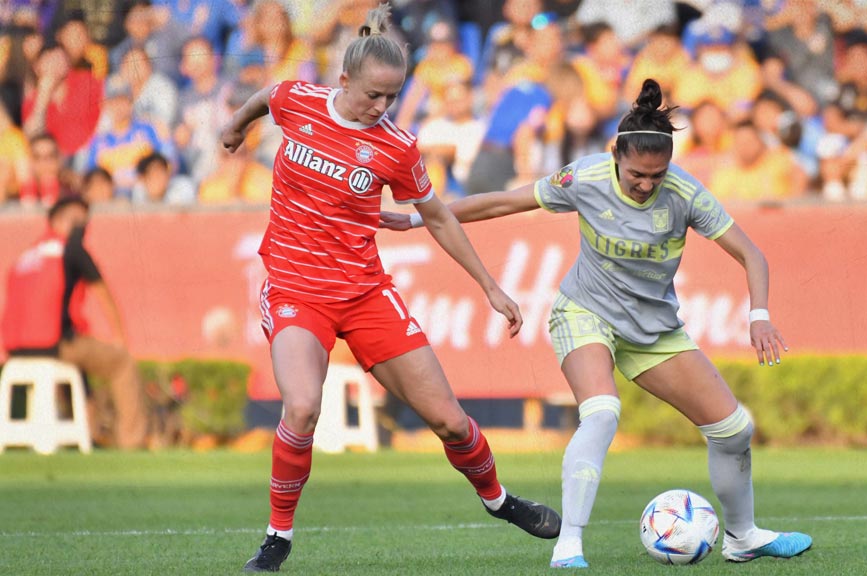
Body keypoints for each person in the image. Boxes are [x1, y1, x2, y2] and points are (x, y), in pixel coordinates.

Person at [381, 79, 813, 568]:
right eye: (636, 175)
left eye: (657, 175)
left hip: (652, 330)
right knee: (603, 411)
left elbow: (751, 254)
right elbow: (505, 202)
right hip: (583, 313)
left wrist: (759, 315)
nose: (647, 184)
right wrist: (420, 219)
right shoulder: (584, 178)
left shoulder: (685, 192)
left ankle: (742, 536)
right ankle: (570, 546)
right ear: (616, 156)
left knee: (733, 429)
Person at [219, 3, 560, 572]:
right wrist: (235, 125)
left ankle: (500, 501)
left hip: (364, 292)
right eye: (373, 95)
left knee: (450, 420)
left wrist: (489, 286)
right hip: (295, 288)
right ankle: (277, 537)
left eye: (392, 98)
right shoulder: (296, 100)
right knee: (302, 406)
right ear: (344, 78)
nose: (381, 107)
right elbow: (261, 100)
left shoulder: (395, 147)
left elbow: (441, 217)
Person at [0, 196, 148, 450]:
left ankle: (85, 434)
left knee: (76, 366)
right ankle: (133, 442)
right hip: (55, 342)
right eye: (76, 220)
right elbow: (103, 293)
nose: (82, 226)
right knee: (121, 363)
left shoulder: (26, 256)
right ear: (56, 220)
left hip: (15, 349)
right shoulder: (72, 250)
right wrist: (120, 338)